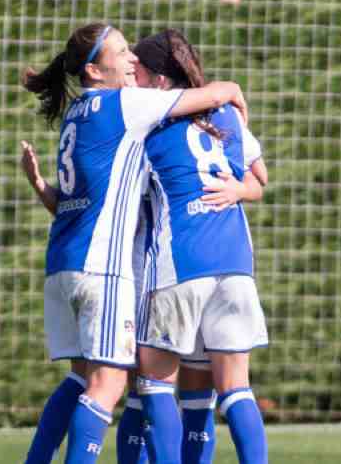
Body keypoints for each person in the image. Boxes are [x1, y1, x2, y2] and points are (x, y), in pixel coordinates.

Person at [21, 28, 268, 464]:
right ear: (95, 68)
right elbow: (258, 179)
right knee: (213, 390)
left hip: (138, 263)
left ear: (157, 78)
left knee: (127, 384)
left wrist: (43, 188)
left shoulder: (105, 117)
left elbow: (89, 199)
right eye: (123, 52)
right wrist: (230, 92)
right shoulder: (203, 113)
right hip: (220, 262)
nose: (131, 62)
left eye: (137, 58)